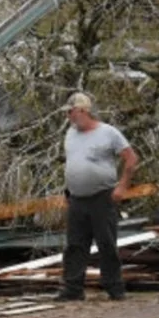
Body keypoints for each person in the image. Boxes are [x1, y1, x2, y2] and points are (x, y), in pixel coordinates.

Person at [56, 92, 139, 302]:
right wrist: (68, 190)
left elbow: (131, 159)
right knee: (75, 245)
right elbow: (72, 163)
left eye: (71, 112)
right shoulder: (70, 134)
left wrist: (122, 187)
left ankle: (114, 287)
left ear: (83, 111)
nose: (69, 117)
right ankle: (73, 288)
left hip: (102, 196)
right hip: (77, 197)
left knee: (106, 243)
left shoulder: (108, 133)